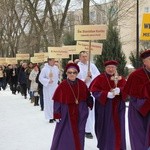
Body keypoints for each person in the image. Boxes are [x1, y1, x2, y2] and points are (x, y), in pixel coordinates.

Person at [50, 63, 93, 150]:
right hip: (66, 113)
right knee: (66, 133)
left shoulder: (81, 84)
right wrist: (57, 113)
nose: (72, 74)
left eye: (74, 72)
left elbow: (88, 95)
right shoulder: (62, 85)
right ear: (67, 73)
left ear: (77, 73)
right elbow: (57, 100)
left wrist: (89, 103)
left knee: (80, 132)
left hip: (81, 112)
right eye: (70, 72)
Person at [89, 60, 127, 150]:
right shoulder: (99, 78)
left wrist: (120, 90)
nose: (110, 69)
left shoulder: (120, 78)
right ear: (105, 68)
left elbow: (127, 89)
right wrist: (105, 94)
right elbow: (94, 91)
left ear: (116, 68)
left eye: (113, 67)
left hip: (118, 107)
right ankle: (105, 146)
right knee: (105, 127)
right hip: (104, 107)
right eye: (108, 67)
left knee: (118, 127)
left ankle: (118, 147)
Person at [123, 50, 150, 150]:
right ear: (144, 62)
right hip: (138, 110)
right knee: (139, 136)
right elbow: (132, 96)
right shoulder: (135, 75)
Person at [77, 51, 100, 139]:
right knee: (84, 110)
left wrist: (91, 76)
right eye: (83, 56)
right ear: (80, 57)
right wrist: (84, 79)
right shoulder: (77, 67)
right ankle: (86, 129)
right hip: (82, 91)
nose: (85, 58)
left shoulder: (92, 65)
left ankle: (89, 128)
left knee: (91, 110)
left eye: (86, 56)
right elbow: (74, 78)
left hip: (92, 90)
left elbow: (98, 77)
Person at [39, 58, 59, 123]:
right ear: (49, 61)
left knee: (56, 101)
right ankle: (50, 117)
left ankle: (56, 115)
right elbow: (40, 78)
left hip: (55, 87)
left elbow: (58, 76)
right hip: (48, 88)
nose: (54, 62)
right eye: (53, 60)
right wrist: (47, 81)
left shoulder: (56, 68)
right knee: (49, 102)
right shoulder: (44, 69)